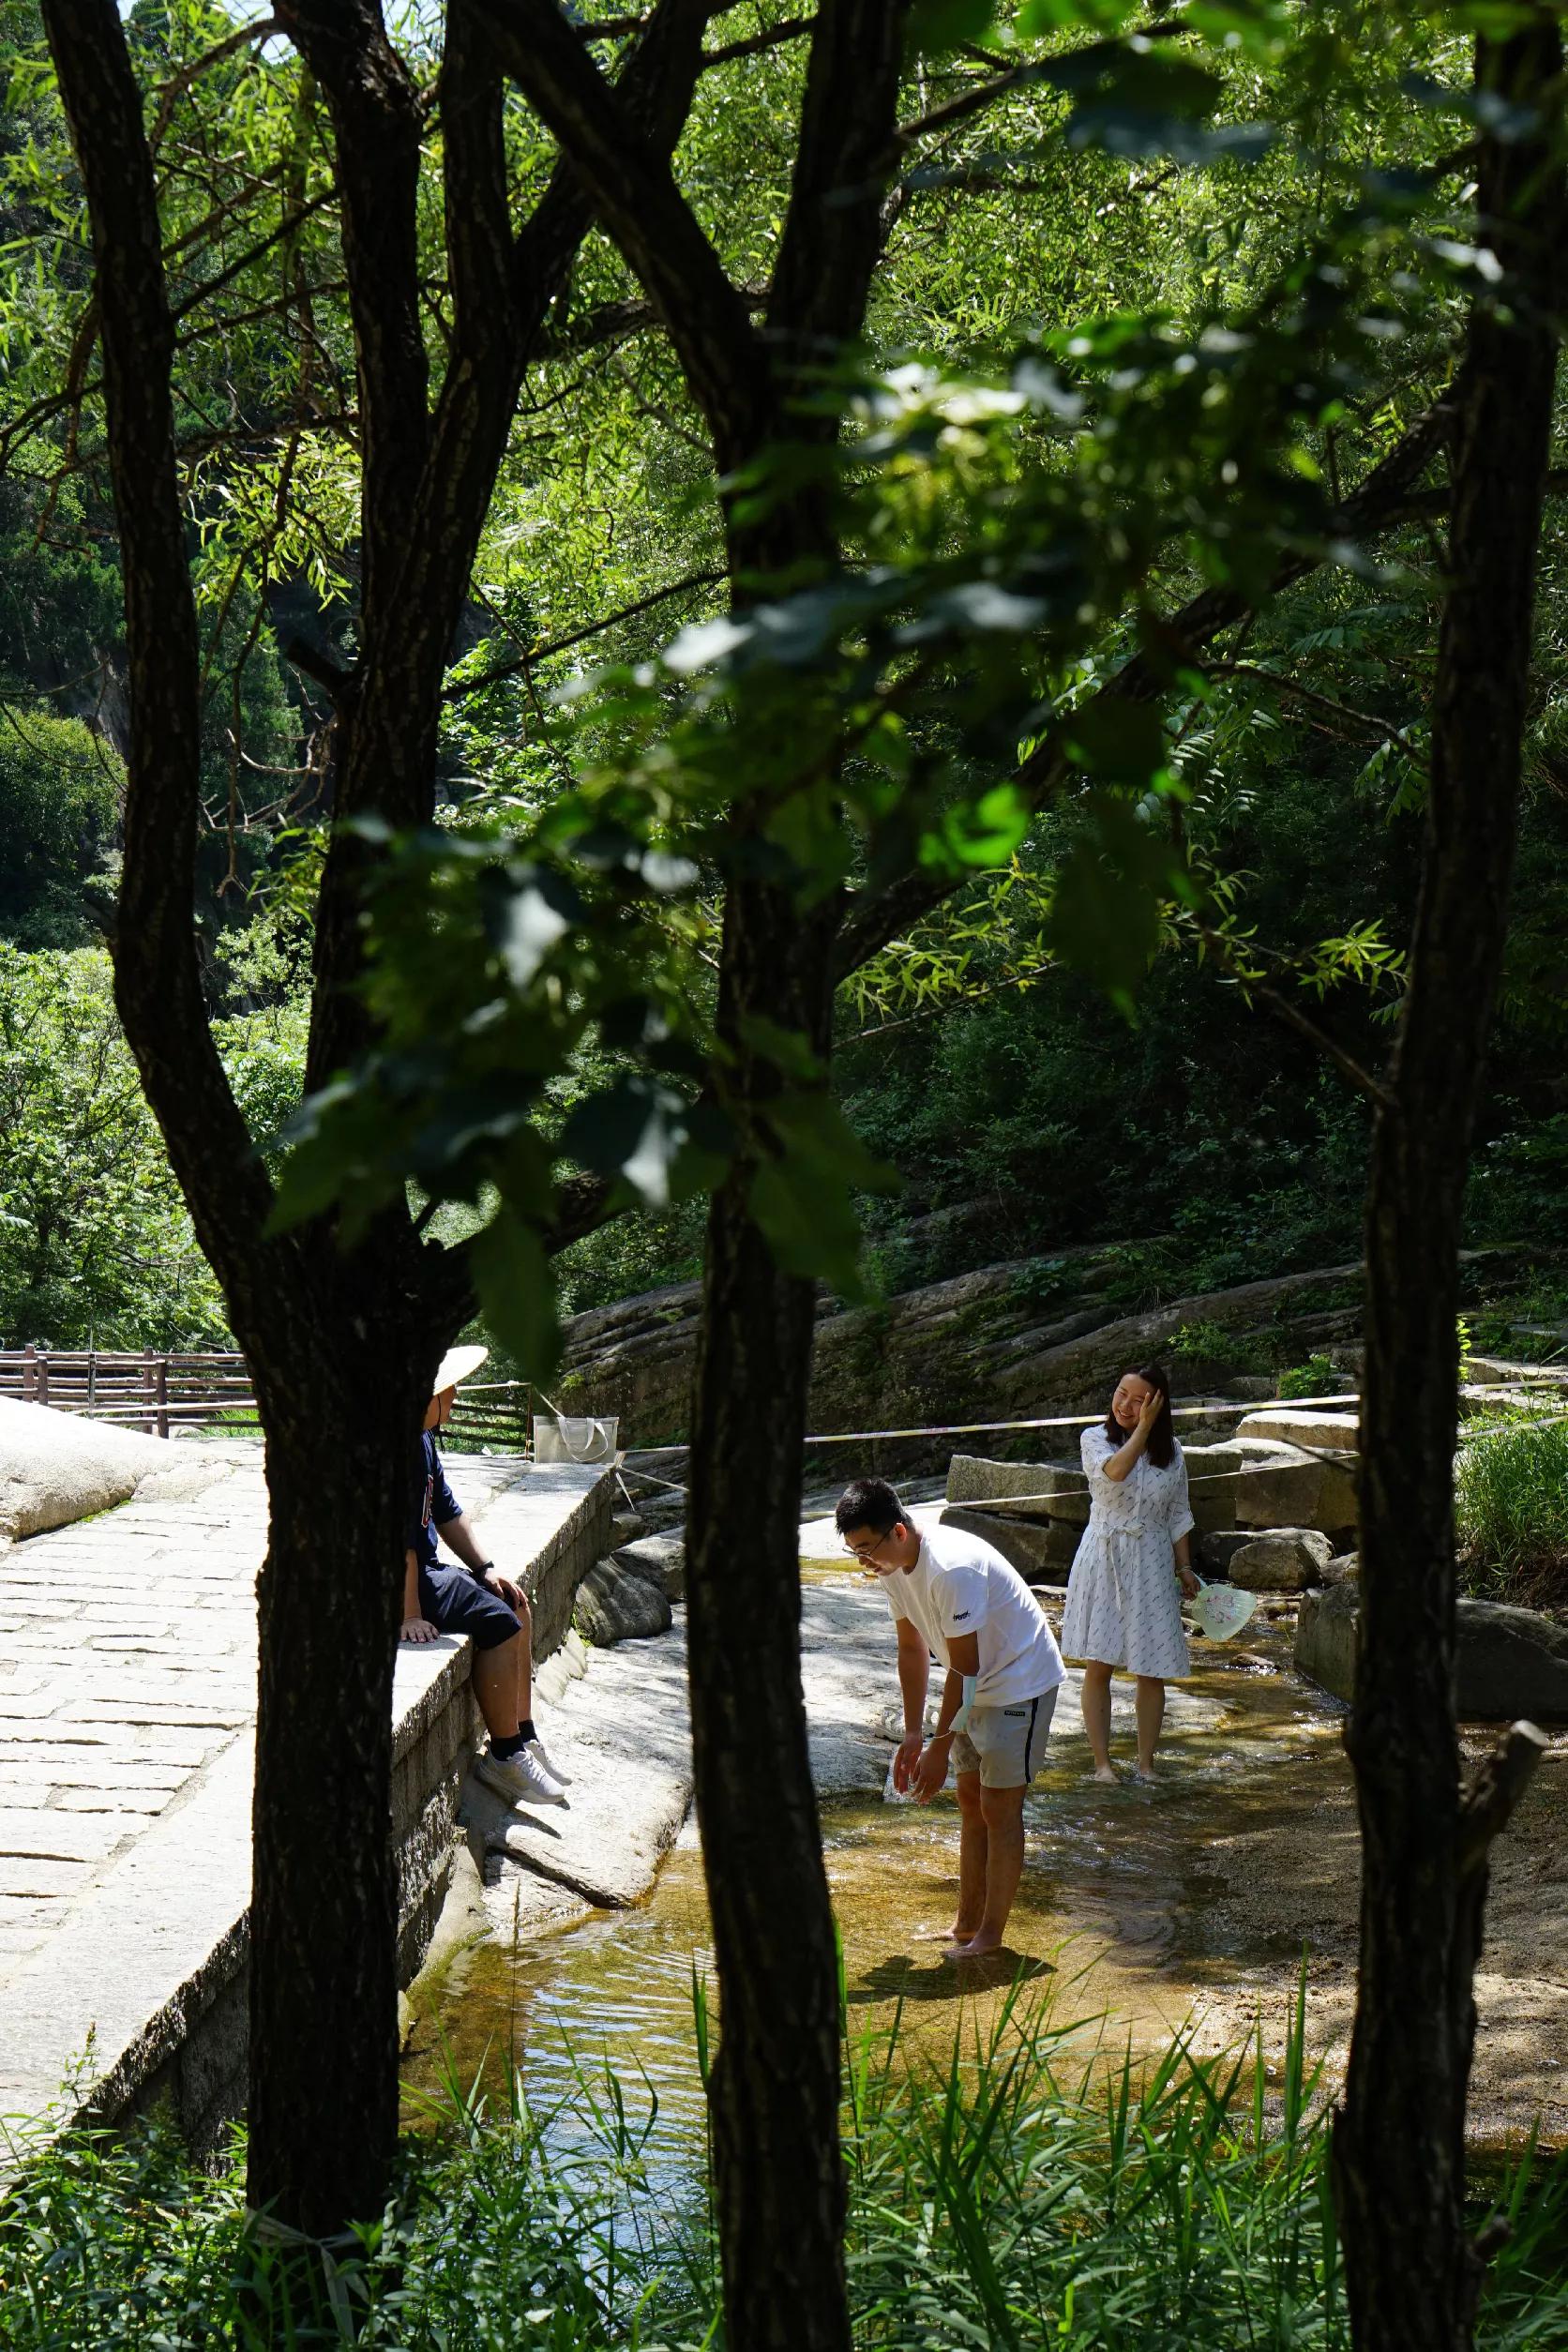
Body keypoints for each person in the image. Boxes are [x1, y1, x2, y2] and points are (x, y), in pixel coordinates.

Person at [836, 1475, 1065, 1960]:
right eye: (854, 1551)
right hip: (970, 1688)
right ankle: (966, 1925)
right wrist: (914, 1734)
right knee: (968, 1799)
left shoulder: (950, 1569)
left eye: (866, 1548)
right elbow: (910, 1646)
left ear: (898, 1531)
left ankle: (990, 1938)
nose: (863, 1562)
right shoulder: (891, 1568)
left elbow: (966, 1666)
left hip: (1018, 1681)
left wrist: (940, 1745)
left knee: (1000, 1809)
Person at [403, 1344, 569, 1810]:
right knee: (499, 1623)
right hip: (400, 1581)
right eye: (448, 1390)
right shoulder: (398, 1453)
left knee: (515, 1602)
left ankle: (525, 1733)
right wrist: (409, 1615)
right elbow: (397, 1543)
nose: (454, 1396)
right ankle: (504, 1753)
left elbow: (448, 1514)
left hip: (423, 1567)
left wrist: (486, 1569)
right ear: (427, 1399)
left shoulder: (424, 1439)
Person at [1060, 1363, 1199, 1784]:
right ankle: (1102, 1765)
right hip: (1104, 1554)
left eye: (1140, 1400)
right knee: (1099, 1662)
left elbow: (1178, 1513)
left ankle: (1146, 1765)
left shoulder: (1172, 1453)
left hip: (1153, 1557)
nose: (1126, 1405)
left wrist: (1186, 1567)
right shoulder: (1095, 1439)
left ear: (1158, 1404)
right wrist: (1142, 1428)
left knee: (1150, 1667)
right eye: (1122, 1393)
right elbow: (1114, 1475)